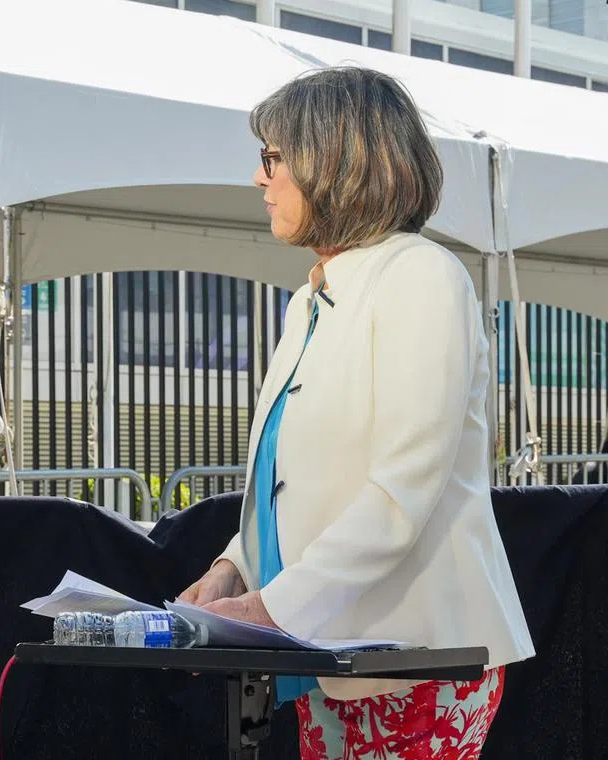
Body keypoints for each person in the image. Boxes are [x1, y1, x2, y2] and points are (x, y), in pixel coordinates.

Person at [178, 67, 534, 760]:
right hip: (335, 657)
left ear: (333, 160)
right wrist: (233, 570)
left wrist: (263, 612)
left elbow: (402, 490)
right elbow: (292, 480)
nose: (259, 179)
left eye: (272, 158)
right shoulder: (307, 301)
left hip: (416, 658)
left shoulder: (422, 276)